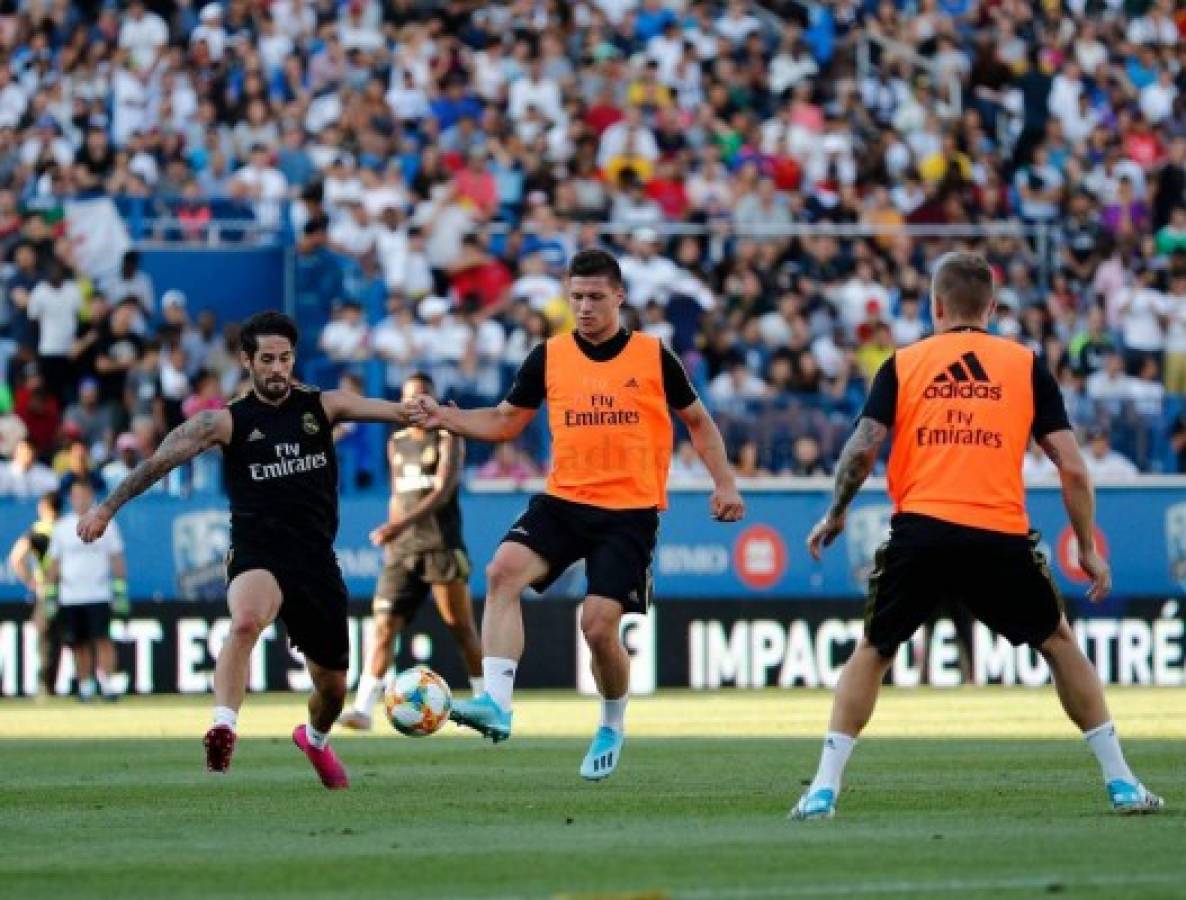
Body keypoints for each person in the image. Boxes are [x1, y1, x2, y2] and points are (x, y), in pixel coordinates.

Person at [790, 252, 1163, 820]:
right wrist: (1087, 546)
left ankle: (823, 789)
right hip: (997, 531)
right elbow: (1072, 466)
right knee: (1059, 642)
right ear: (991, 308)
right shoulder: (1024, 364)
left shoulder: (904, 363)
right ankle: (1121, 781)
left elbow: (863, 446)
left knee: (875, 648)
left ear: (935, 305)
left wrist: (837, 511)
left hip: (921, 531)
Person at [409, 249, 744, 781]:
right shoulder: (549, 356)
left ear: (619, 297)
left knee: (597, 626)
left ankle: (612, 721)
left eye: (594, 297)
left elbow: (698, 422)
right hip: (565, 500)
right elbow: (503, 421)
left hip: (629, 511)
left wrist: (724, 482)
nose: (584, 308)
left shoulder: (654, 357)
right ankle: (497, 705)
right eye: (576, 297)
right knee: (501, 572)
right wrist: (446, 417)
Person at [76, 311, 414, 789]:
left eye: (286, 359)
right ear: (248, 361)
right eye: (268, 360)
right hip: (258, 551)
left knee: (333, 687)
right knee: (245, 620)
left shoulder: (323, 407)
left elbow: (396, 412)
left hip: (316, 560)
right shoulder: (227, 422)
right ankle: (223, 727)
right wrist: (106, 508)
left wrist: (431, 414)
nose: (278, 368)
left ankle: (315, 739)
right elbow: (158, 462)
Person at [339, 373, 483, 730]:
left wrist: (396, 526)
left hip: (440, 546)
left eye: (422, 396)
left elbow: (443, 491)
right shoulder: (397, 441)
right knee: (384, 625)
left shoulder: (449, 437)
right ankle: (362, 708)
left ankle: (486, 700)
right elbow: (397, 495)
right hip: (402, 551)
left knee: (461, 627)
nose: (415, 404)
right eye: (408, 398)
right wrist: (394, 533)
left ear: (433, 399)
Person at [46, 481, 126, 702]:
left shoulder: (107, 524)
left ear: (91, 497)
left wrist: (120, 589)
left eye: (84, 495)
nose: (80, 500)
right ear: (71, 499)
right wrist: (50, 594)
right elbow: (54, 562)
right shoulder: (62, 527)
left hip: (98, 592)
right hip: (71, 595)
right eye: (75, 496)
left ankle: (108, 683)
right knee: (78, 643)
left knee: (102, 639)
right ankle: (86, 685)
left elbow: (116, 557)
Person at [7, 490, 63, 698]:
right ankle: (86, 684)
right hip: (73, 591)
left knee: (46, 639)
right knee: (76, 639)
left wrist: (31, 581)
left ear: (45, 507)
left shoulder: (39, 531)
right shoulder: (68, 528)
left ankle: (45, 685)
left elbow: (16, 558)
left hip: (47, 592)